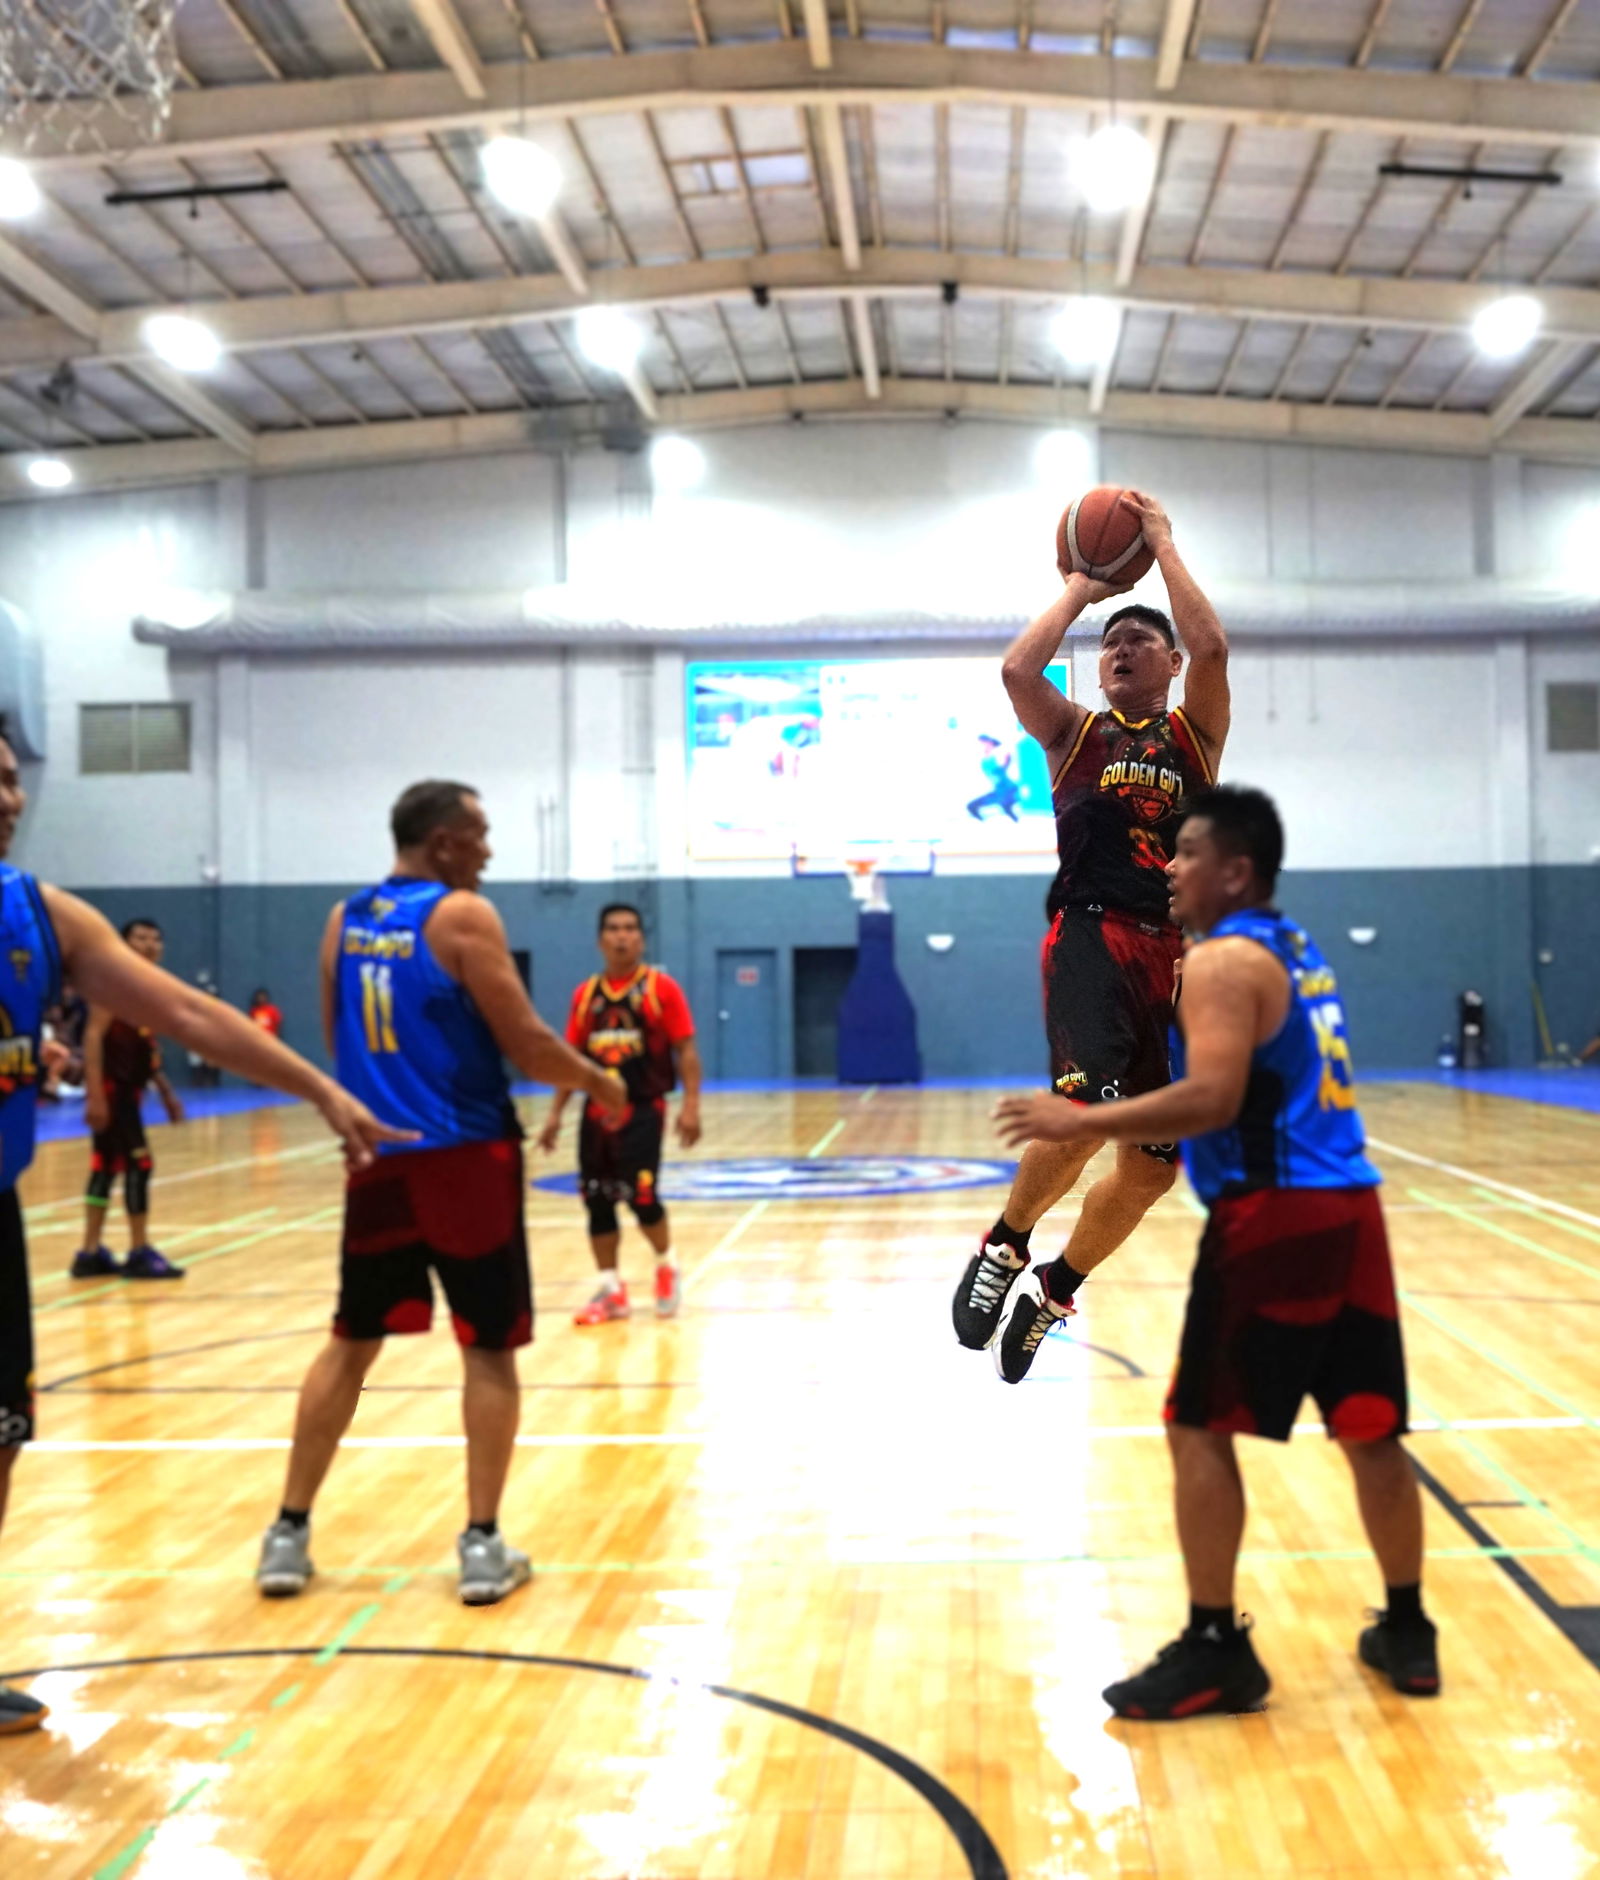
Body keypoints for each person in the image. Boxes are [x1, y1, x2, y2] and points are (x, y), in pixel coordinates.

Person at [0, 717, 409, 1737]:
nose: (9, 796)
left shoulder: (42, 915)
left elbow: (184, 1012)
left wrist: (319, 1084)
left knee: (3, 1434)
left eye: (12, 778)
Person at [995, 785, 1436, 1718]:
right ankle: (1408, 1628)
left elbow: (1213, 1100)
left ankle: (1212, 1647)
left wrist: (1085, 1117)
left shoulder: (1226, 963)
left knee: (1197, 1427)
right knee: (1369, 1425)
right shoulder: (1294, 947)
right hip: (1352, 1212)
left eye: (1188, 852)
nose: (1168, 865)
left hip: (1276, 1217)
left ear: (1235, 870)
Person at [256, 781, 627, 1608]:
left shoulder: (342, 919)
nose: (489, 849)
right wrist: (600, 1083)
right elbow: (528, 1044)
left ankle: (287, 1532)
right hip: (464, 1160)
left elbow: (333, 1031)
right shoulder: (462, 917)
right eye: (481, 833)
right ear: (447, 841)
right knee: (487, 1349)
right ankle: (483, 1544)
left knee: (350, 1342)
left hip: (378, 1158)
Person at [952, 490, 1230, 1382]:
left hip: (1164, 957)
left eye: (1137, 641)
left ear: (1170, 662)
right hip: (1087, 937)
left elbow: (1216, 647)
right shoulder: (1077, 732)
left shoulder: (1195, 735)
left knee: (1152, 1166)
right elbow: (1017, 674)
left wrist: (1161, 543)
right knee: (1092, 1107)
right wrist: (1080, 588)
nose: (1118, 649)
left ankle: (1054, 1290)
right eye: (1110, 644)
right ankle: (1005, 1245)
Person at [537, 904, 702, 1325]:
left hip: (645, 1108)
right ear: (600, 940)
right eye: (613, 929)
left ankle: (666, 1264)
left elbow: (686, 1050)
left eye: (630, 928)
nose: (622, 936)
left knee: (641, 1195)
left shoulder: (660, 989)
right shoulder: (586, 996)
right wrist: (555, 1113)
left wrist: (692, 1106)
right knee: (596, 1199)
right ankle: (612, 1290)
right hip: (595, 1113)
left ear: (641, 940)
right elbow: (571, 1058)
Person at [69, 920, 188, 1280]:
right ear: (122, 943)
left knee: (105, 1168)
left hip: (130, 1092)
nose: (150, 945)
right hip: (112, 1091)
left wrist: (165, 1091)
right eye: (141, 938)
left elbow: (145, 1047)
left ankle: (89, 1252)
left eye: (156, 938)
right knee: (139, 1165)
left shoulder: (146, 989)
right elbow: (93, 1038)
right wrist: (94, 1096)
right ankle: (138, 1250)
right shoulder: (113, 985)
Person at [966, 735, 1021, 822]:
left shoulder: (998, 754)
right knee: (971, 806)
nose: (982, 746)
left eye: (983, 743)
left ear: (990, 743)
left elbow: (1005, 763)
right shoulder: (983, 759)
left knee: (1006, 807)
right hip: (998, 792)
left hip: (1007, 790)